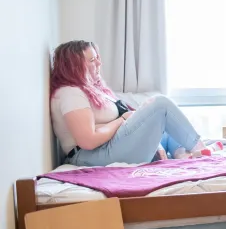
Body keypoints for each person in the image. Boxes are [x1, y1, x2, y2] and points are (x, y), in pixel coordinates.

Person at [50, 40, 208, 166]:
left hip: (108, 146)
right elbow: (88, 140)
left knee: (166, 125)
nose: (99, 64)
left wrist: (115, 124)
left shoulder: (91, 91)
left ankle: (182, 155)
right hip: (91, 155)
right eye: (92, 60)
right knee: (160, 104)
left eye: (97, 58)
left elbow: (95, 128)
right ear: (74, 67)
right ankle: (200, 148)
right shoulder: (70, 93)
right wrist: (122, 120)